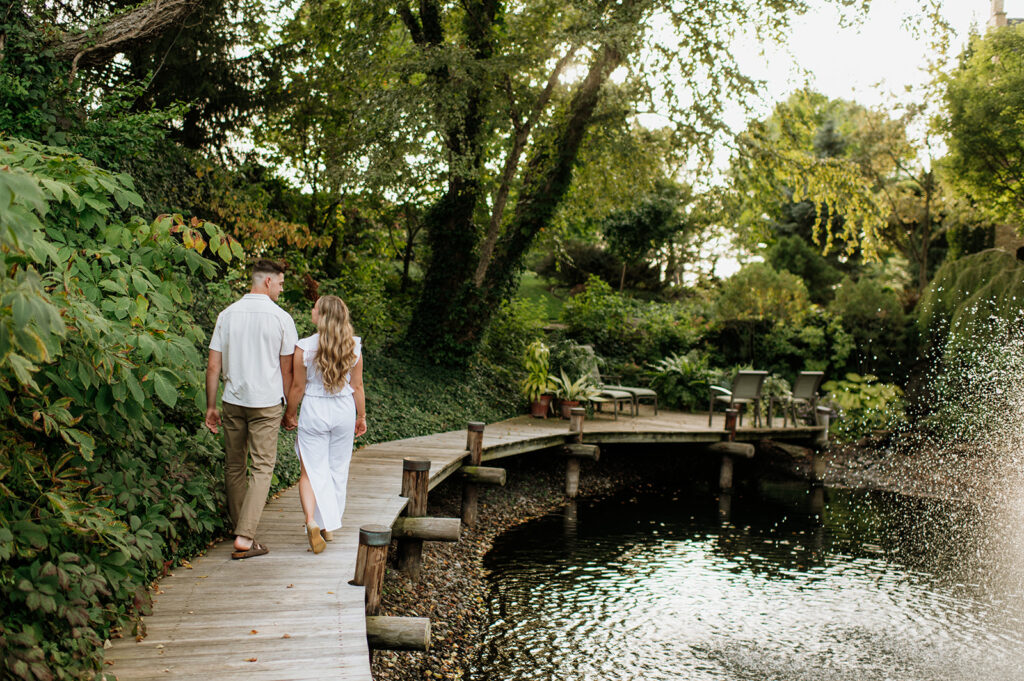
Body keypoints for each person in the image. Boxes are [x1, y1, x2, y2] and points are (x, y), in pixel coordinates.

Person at [205, 259, 298, 559]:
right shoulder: (282, 319)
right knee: (262, 468)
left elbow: (213, 366)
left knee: (234, 466)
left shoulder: (227, 315)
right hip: (267, 403)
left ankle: (241, 529)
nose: (282, 290)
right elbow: (287, 373)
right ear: (268, 282)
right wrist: (290, 411)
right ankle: (245, 537)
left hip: (233, 400)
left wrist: (210, 406)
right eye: (281, 284)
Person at [283, 295, 366, 554]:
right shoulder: (353, 347)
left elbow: (297, 387)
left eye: (315, 308)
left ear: (321, 315)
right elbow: (357, 387)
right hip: (343, 411)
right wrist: (361, 417)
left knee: (309, 471)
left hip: (314, 410)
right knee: (336, 469)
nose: (312, 310)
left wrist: (290, 414)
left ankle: (311, 521)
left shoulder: (304, 348)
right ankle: (328, 526)